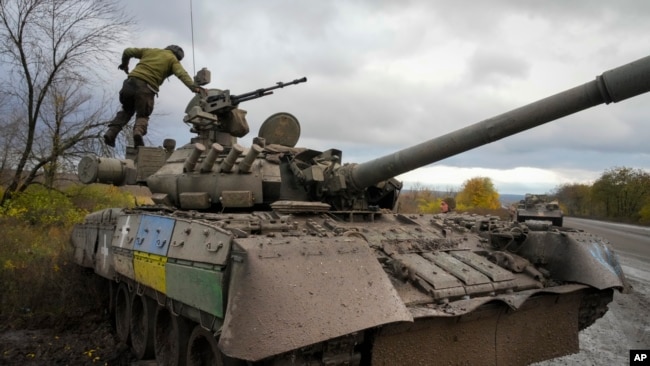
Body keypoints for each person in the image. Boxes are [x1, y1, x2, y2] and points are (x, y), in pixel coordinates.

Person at [103, 45, 203, 147]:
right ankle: (138, 133)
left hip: (128, 84)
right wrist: (195, 88)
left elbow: (127, 51)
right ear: (178, 57)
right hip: (146, 88)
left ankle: (110, 133)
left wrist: (125, 64)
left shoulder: (150, 51)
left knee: (126, 111)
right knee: (143, 115)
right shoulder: (172, 60)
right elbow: (182, 74)